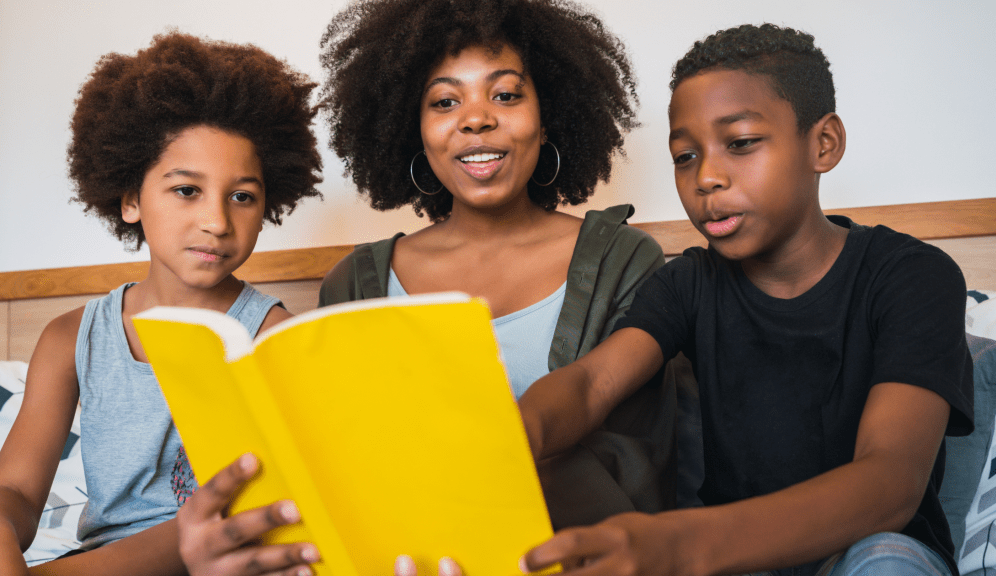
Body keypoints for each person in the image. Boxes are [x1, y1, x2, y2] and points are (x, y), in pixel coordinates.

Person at [176, 1, 679, 575]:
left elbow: (639, 460)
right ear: (411, 127)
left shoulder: (624, 260)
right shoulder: (356, 283)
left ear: (550, 113)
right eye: (445, 101)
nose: (476, 119)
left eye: (506, 95)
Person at [515, 23, 974, 576]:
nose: (706, 177)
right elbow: (591, 384)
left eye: (741, 143)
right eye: (685, 156)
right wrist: (516, 434)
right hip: (738, 564)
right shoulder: (686, 284)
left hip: (869, 548)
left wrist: (681, 544)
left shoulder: (912, 276)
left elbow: (890, 482)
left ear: (822, 144)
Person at [0, 32, 322, 576]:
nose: (217, 221)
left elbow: (268, 510)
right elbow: (16, 489)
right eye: (186, 190)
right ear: (130, 200)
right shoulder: (69, 339)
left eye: (242, 196)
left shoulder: (273, 338)